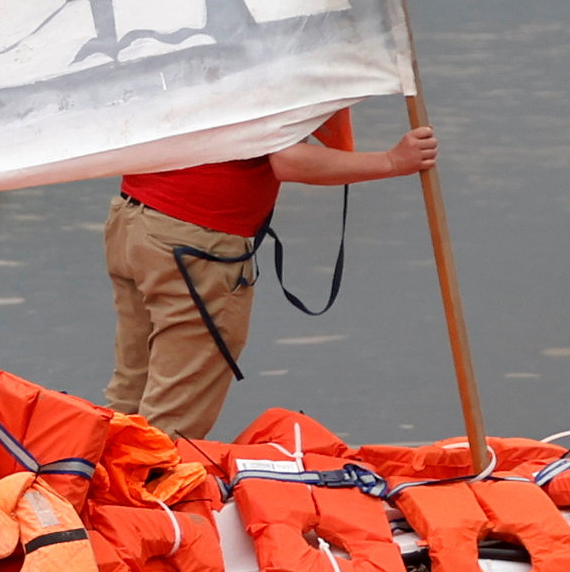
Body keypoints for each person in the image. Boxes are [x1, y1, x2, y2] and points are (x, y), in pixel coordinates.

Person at [105, 107, 436, 443]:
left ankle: (98, 481)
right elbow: (288, 159)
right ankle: (145, 485)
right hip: (191, 241)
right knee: (174, 409)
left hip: (133, 219)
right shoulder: (277, 66)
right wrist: (393, 162)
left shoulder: (212, 56)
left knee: (132, 386)